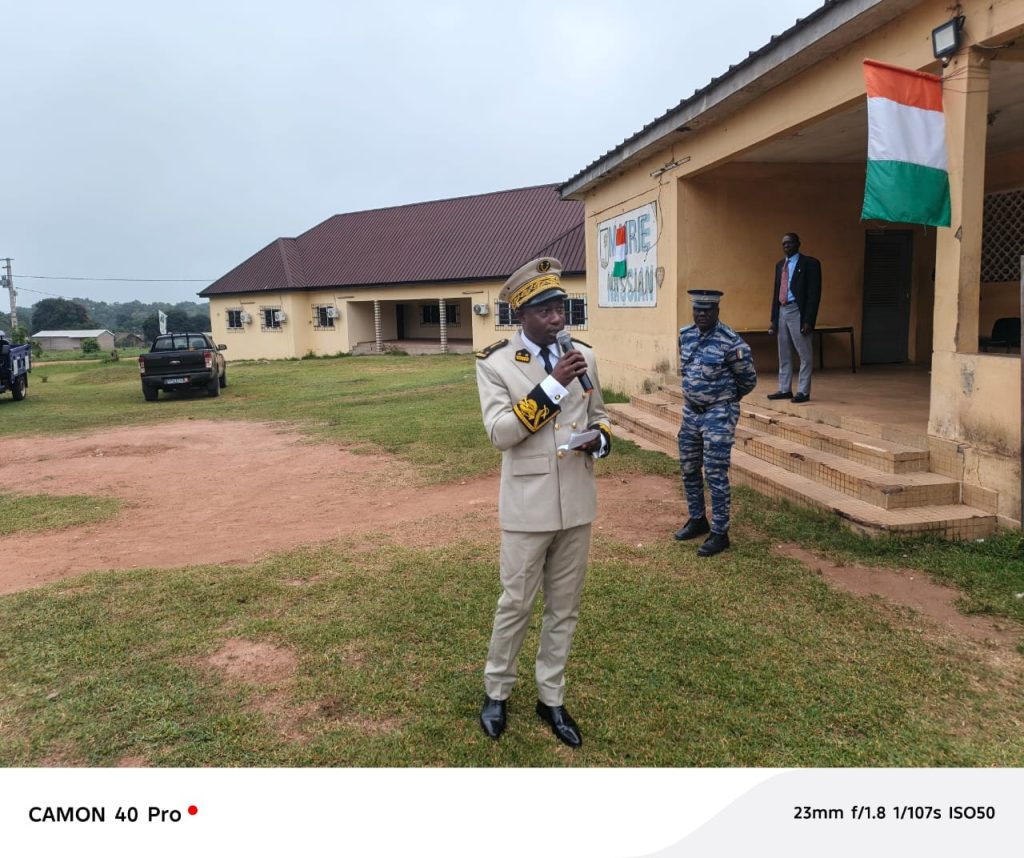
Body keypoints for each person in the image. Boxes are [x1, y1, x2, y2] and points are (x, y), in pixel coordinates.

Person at [475, 256, 611, 748]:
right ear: (522, 315)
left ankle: (550, 697)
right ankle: (497, 690)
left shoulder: (585, 357)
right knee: (515, 603)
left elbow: (601, 415)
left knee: (565, 607)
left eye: (563, 307)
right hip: (527, 506)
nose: (559, 318)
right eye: (547, 309)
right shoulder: (495, 364)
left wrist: (599, 440)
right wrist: (553, 386)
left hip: (576, 502)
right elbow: (500, 434)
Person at [674, 289, 757, 557]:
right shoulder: (685, 335)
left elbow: (748, 381)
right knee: (688, 467)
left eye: (707, 310)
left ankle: (720, 533)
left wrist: (724, 402)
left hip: (718, 414)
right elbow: (687, 370)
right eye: (697, 309)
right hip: (691, 412)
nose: (701, 314)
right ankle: (697, 519)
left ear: (717, 312)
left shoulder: (731, 342)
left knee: (715, 473)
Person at [767, 233, 821, 403]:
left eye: (790, 243)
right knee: (784, 353)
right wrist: (774, 320)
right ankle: (785, 389)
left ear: (798, 244)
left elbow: (814, 294)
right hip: (782, 310)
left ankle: (803, 392)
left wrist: (808, 320)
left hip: (798, 311)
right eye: (783, 244)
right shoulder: (779, 265)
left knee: (804, 354)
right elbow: (776, 293)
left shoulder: (810, 264)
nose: (786, 246)